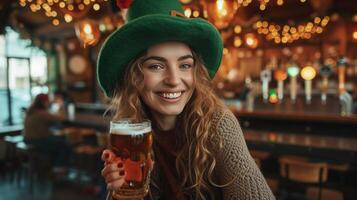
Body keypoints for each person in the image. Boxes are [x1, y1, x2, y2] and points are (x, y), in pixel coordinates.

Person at [98, 0, 275, 199]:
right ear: (134, 77)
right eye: (156, 66)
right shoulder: (130, 135)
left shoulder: (218, 124)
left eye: (185, 65)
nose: (174, 80)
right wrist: (121, 195)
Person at [23, 93, 71, 167]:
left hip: (27, 139)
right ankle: (58, 169)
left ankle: (52, 167)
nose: (49, 103)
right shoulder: (42, 113)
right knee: (65, 145)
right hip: (37, 140)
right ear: (44, 102)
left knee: (57, 141)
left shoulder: (31, 111)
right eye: (48, 101)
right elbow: (62, 118)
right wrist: (61, 105)